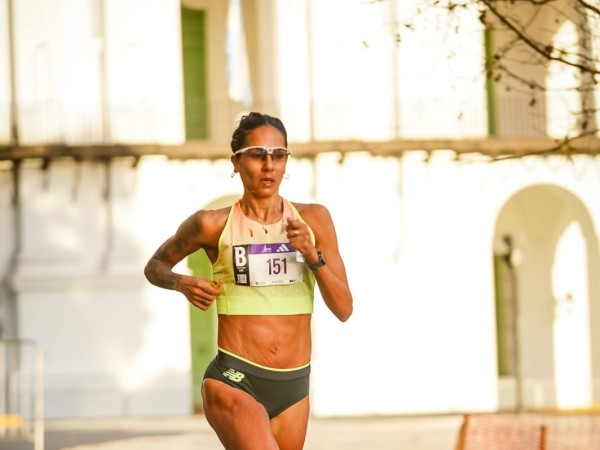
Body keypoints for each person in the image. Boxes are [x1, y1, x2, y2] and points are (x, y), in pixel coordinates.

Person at [144, 112, 353, 450]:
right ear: (237, 163)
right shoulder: (210, 224)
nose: (269, 166)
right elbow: (155, 265)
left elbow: (344, 308)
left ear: (286, 162)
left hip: (294, 386)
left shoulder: (315, 220)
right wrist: (180, 283)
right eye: (257, 155)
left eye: (278, 155)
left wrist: (312, 256)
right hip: (234, 378)